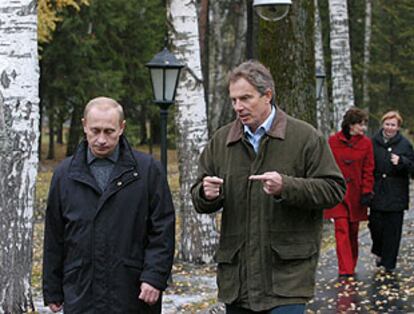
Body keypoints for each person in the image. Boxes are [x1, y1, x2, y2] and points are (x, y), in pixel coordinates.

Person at [191, 60, 346, 314]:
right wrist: (205, 194)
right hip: (237, 281)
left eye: (245, 98)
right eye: (233, 100)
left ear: (268, 96)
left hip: (286, 278)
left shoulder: (305, 137)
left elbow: (334, 189)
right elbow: (198, 195)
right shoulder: (221, 141)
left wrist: (287, 186)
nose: (238, 107)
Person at [42, 97, 175, 313]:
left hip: (133, 291)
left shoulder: (147, 170)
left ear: (121, 128)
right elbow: (54, 236)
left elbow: (162, 229)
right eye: (95, 131)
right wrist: (52, 289)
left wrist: (154, 276)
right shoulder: (64, 174)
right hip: (82, 290)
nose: (101, 139)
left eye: (109, 131)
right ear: (85, 125)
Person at [323, 108, 375, 278]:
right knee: (341, 230)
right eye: (361, 124)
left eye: (365, 124)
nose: (364, 128)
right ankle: (345, 270)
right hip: (338, 193)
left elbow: (369, 168)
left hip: (357, 194)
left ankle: (351, 264)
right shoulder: (332, 141)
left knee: (353, 231)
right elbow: (327, 165)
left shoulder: (366, 143)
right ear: (351, 125)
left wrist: (367, 191)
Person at [369, 111, 414, 273]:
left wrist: (402, 161)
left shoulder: (405, 144)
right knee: (376, 226)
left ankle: (389, 264)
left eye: (393, 125)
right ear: (382, 125)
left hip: (396, 194)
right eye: (387, 124)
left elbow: (412, 168)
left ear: (398, 127)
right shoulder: (373, 142)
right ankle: (379, 251)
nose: (389, 128)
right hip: (377, 192)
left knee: (393, 230)